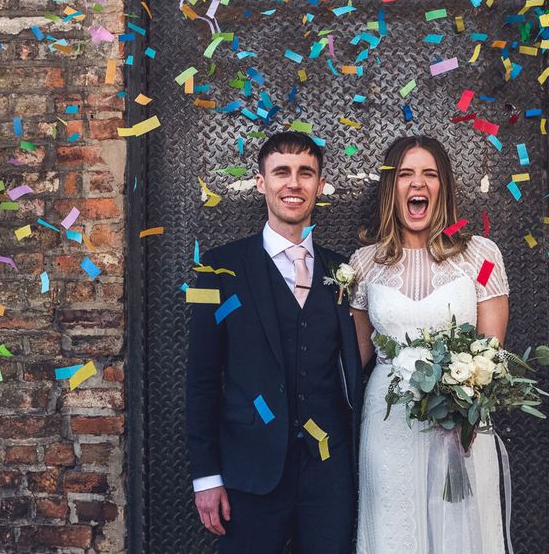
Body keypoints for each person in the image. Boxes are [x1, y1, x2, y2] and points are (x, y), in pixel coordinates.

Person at [185, 132, 364, 553]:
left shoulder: (344, 270)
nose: (293, 183)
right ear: (261, 182)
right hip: (249, 473)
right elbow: (202, 379)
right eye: (281, 172)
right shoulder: (218, 267)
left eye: (306, 173)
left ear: (320, 186)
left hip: (329, 475)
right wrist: (206, 477)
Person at [350, 135, 507, 553]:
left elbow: (491, 355)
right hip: (388, 425)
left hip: (458, 432)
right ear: (392, 188)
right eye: (405, 174)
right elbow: (353, 359)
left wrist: (464, 397)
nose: (417, 184)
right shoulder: (364, 263)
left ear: (443, 187)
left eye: (429, 174)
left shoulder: (482, 255)